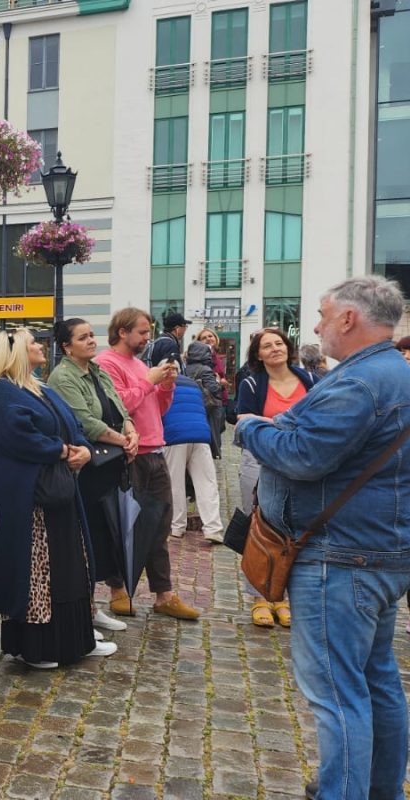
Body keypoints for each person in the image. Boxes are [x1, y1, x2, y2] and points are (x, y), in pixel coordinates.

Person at [236, 275, 410, 800]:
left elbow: (303, 455)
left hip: (340, 556)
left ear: (350, 319)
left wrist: (250, 427)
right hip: (373, 550)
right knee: (376, 681)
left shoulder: (360, 382)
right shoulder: (389, 372)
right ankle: (379, 788)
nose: (315, 325)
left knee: (338, 695)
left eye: (322, 314)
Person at [0, 329, 114, 668]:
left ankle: (76, 639)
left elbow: (72, 426)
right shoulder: (2, 390)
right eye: (33, 342)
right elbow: (15, 435)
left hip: (58, 490)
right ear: (15, 352)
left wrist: (83, 451)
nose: (40, 346)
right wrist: (61, 450)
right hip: (28, 496)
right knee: (37, 571)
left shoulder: (41, 388)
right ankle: (38, 647)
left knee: (70, 566)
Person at [95, 308, 200, 621]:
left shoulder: (140, 364)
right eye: (141, 332)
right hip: (129, 455)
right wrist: (148, 380)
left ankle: (163, 594)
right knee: (126, 524)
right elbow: (117, 407)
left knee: (160, 524)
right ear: (123, 332)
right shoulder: (106, 363)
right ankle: (118, 590)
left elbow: (157, 407)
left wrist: (165, 386)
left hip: (155, 450)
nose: (147, 338)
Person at [47, 318, 138, 634]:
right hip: (90, 470)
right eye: (82, 337)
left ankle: (96, 605)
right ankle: (87, 607)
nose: (90, 340)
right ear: (66, 346)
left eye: (91, 335)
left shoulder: (98, 371)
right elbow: (83, 421)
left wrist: (131, 429)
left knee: (112, 535)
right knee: (90, 540)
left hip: (113, 464)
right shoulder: (63, 376)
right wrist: (122, 440)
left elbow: (120, 408)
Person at [235, 328, 317, 628]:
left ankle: (282, 597)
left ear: (288, 347)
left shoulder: (308, 379)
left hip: (300, 464)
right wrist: (285, 425)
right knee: (260, 529)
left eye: (278, 343)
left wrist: (270, 423)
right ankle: (259, 596)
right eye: (266, 346)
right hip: (259, 461)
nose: (274, 349)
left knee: (294, 532)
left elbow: (319, 419)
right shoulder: (252, 384)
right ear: (258, 354)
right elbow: (242, 422)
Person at [159, 368, 223, 544]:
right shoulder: (193, 383)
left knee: (174, 482)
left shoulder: (160, 382)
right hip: (201, 433)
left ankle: (177, 526)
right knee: (207, 483)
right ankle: (213, 528)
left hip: (174, 435)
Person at [185, 341, 226, 459]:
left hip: (193, 405)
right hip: (209, 407)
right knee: (212, 431)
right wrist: (220, 383)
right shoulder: (205, 369)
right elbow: (213, 389)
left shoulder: (185, 368)